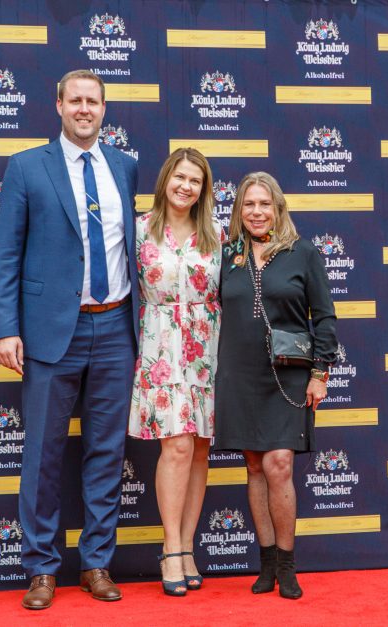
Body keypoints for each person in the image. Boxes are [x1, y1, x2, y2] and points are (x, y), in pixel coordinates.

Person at [0, 70, 139, 610]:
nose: (84, 109)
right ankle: (41, 569)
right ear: (58, 105)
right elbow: (5, 254)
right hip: (53, 332)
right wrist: (5, 328)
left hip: (117, 327)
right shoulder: (28, 166)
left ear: (104, 108)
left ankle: (97, 563)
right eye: (74, 100)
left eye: (92, 101)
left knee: (106, 453)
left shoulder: (124, 166)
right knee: (43, 455)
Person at [214, 172, 337, 600]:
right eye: (248, 205)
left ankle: (287, 564)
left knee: (278, 464)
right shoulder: (227, 253)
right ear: (238, 211)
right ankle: (265, 563)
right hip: (238, 373)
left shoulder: (303, 253)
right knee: (253, 467)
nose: (257, 212)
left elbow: (324, 317)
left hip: (288, 376)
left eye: (265, 204)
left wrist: (320, 374)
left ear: (278, 208)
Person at [126, 148, 223, 596]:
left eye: (196, 181)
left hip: (207, 350)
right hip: (159, 347)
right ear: (166, 178)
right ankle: (170, 549)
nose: (187, 186)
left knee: (200, 449)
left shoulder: (217, 235)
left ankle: (187, 546)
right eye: (180, 177)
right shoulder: (138, 229)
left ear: (205, 190)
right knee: (178, 446)